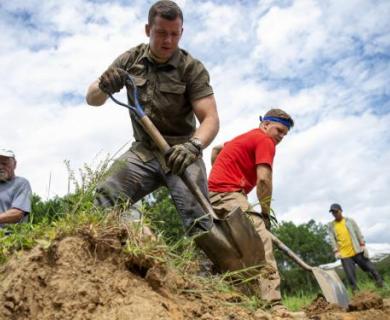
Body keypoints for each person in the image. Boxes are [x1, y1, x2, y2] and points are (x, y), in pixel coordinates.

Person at [85, 1, 219, 235]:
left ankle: (208, 270)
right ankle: (115, 254)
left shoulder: (192, 68)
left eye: (174, 34)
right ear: (148, 30)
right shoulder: (130, 59)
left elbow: (211, 119)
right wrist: (105, 85)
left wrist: (194, 146)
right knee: (106, 195)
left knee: (200, 219)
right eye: (161, 33)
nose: (168, 41)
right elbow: (92, 98)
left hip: (182, 152)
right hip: (143, 151)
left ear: (182, 32)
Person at [208, 109, 296, 317]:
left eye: (285, 134)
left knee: (241, 247)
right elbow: (264, 180)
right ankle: (274, 305)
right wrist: (265, 215)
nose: (281, 137)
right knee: (261, 238)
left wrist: (218, 175)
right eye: (279, 130)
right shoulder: (265, 141)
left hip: (217, 195)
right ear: (265, 125)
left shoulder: (245, 137)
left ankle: (248, 298)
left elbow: (216, 149)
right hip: (228, 195)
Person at [327, 203, 384, 292]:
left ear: (341, 211)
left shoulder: (350, 221)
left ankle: (381, 286)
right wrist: (336, 251)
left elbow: (358, 232)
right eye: (333, 212)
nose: (334, 214)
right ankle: (356, 294)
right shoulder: (331, 226)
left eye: (336, 211)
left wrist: (363, 245)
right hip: (345, 255)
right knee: (351, 277)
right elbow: (332, 239)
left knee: (371, 268)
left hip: (357, 251)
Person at [0, 149, 32, 229]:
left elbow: (17, 213)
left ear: (14, 164)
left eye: (4, 163)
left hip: (10, 237)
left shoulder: (21, 183)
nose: (0, 167)